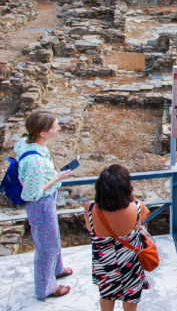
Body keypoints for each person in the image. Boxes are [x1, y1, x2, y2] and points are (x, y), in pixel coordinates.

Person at [15, 110, 73, 298]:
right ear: (42, 132)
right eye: (55, 126)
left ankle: (57, 269)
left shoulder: (27, 142)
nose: (58, 128)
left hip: (47, 201)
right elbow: (32, 193)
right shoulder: (34, 161)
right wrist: (57, 177)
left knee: (53, 238)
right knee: (46, 247)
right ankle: (45, 288)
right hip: (41, 204)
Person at [84, 164, 151, 311]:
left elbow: (90, 228)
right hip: (129, 263)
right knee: (131, 297)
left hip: (104, 263)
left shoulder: (90, 208)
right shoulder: (136, 207)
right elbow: (146, 214)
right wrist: (131, 197)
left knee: (107, 295)